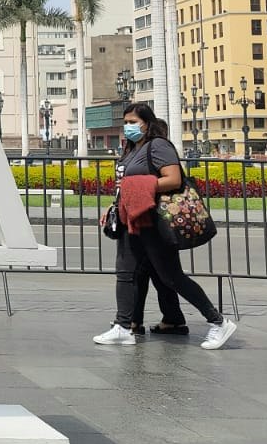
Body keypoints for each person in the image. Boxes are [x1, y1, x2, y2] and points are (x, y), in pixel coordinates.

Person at [94, 101, 237, 352]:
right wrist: (115, 203)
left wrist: (138, 187)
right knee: (125, 273)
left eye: (133, 122)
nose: (128, 127)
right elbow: (124, 183)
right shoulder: (131, 148)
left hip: (154, 220)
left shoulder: (157, 146)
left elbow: (173, 179)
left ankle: (218, 322)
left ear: (146, 123)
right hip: (133, 218)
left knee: (172, 277)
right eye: (125, 123)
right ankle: (123, 327)